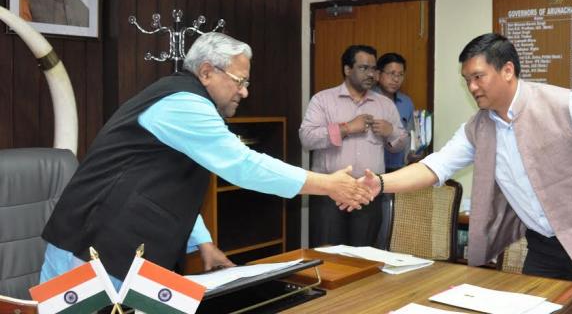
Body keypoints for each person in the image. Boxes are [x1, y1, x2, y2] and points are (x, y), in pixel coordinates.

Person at [40, 32, 372, 289]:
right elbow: (243, 165)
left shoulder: (187, 101)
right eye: (239, 81)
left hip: (122, 252)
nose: (244, 92)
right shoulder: (183, 102)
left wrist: (203, 242)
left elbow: (174, 187)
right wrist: (328, 184)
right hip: (92, 249)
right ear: (207, 72)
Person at [358, 33, 572, 313]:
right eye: (467, 80)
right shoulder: (478, 127)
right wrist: (380, 183)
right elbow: (435, 166)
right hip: (544, 245)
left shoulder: (565, 105)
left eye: (478, 77)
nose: (472, 87)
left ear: (507, 70)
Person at [300, 45, 408, 247]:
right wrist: (347, 128)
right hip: (329, 193)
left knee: (364, 256)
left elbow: (400, 144)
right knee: (328, 256)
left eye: (373, 69)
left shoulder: (385, 104)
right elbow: (307, 138)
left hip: (368, 193)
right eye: (363, 68)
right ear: (347, 69)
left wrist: (390, 132)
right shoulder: (323, 100)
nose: (371, 74)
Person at [373, 52, 419, 248]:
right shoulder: (369, 100)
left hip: (398, 170)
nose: (396, 79)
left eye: (400, 75)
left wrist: (413, 152)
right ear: (378, 74)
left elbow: (410, 133)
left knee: (391, 225)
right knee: (371, 224)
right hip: (372, 172)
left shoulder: (406, 103)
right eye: (391, 73)